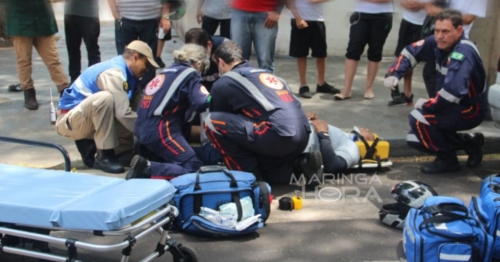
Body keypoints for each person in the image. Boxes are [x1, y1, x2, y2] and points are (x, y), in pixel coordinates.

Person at [384, 9, 487, 174]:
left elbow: (453, 92)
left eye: (445, 31)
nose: (440, 36)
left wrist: (429, 105)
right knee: (414, 139)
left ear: (459, 31)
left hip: (470, 109)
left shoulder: (462, 52)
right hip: (451, 106)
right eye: (437, 31)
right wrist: (395, 73)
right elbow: (410, 51)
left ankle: (448, 160)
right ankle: (469, 143)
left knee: (418, 119)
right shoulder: (439, 42)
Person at [204, 40, 318, 184]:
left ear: (220, 62)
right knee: (272, 175)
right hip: (303, 135)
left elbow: (221, 122)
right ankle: (301, 165)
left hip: (277, 136)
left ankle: (248, 179)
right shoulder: (268, 74)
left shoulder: (225, 82)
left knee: (212, 122)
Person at [56, 41, 159, 174]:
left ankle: (117, 152)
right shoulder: (113, 73)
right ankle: (104, 156)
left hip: (89, 120)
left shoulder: (131, 77)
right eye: (146, 64)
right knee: (105, 99)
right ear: (135, 57)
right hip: (70, 122)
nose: (147, 69)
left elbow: (138, 113)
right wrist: (150, 134)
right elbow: (123, 113)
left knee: (134, 122)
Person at [126, 44, 211, 180]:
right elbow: (201, 103)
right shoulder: (190, 74)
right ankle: (147, 168)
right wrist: (212, 96)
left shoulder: (166, 72)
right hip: (161, 130)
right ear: (199, 63)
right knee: (193, 166)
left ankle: (149, 166)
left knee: (177, 159)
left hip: (140, 129)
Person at [6, 0, 70, 110]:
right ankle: (28, 92)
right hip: (20, 22)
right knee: (24, 61)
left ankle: (64, 90)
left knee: (53, 60)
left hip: (43, 21)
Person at [421, 0, 488, 98]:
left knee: (452, 80)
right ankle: (436, 105)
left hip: (457, 44)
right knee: (431, 74)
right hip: (439, 41)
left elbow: (468, 18)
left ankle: (439, 106)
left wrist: (439, 12)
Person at [334, 0, 393, 100]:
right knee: (353, 51)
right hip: (361, 14)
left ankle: (368, 88)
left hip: (383, 15)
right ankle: (346, 89)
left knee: (375, 51)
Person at [108, 0, 172, 88]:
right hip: (125, 19)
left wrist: (165, 16)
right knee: (125, 59)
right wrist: (116, 16)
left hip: (151, 19)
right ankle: (128, 92)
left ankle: (147, 93)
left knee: (149, 60)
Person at [287, 0, 340, 98]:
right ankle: (303, 85)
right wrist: (297, 18)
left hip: (317, 19)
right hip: (300, 19)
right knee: (301, 53)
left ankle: (321, 84)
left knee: (321, 53)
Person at [388, 0, 429, 106]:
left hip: (425, 24)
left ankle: (435, 100)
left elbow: (442, 4)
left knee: (428, 64)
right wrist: (405, 3)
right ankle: (407, 95)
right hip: (407, 21)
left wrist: (422, 5)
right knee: (404, 57)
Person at [231, 0, 289, 73]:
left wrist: (277, 10)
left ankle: (265, 84)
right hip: (239, 10)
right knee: (238, 60)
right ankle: (239, 84)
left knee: (265, 61)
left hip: (266, 11)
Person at [64, 0, 101, 84]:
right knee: (72, 50)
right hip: (70, 13)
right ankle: (74, 81)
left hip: (89, 14)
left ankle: (93, 80)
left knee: (92, 50)